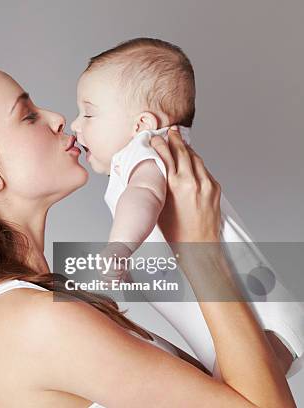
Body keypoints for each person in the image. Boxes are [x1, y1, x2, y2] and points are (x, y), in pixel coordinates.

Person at [0, 56, 295, 407]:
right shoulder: (36, 323)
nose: (58, 118)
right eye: (27, 115)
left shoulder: (25, 313)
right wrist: (201, 251)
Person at [71, 37, 303, 376]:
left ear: (142, 124)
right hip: (245, 319)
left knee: (244, 388)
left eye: (89, 113)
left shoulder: (146, 149)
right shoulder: (163, 152)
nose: (77, 125)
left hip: (257, 316)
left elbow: (144, 196)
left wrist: (120, 247)